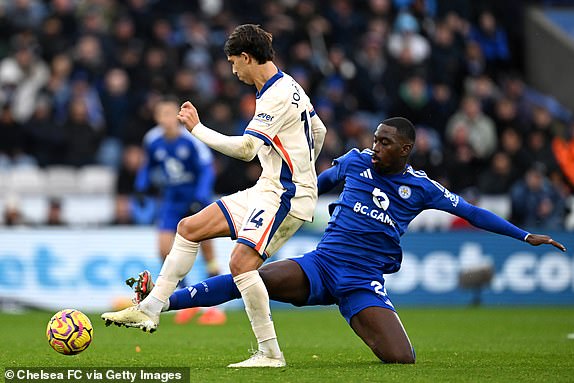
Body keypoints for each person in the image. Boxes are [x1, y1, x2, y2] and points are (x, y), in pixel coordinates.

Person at [126, 117, 565, 364]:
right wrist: (289, 197)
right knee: (248, 277)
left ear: (406, 149)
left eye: (386, 143)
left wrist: (524, 235)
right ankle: (158, 303)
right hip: (322, 264)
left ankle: (355, 313)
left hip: (362, 280)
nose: (375, 147)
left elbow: (471, 211)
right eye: (375, 139)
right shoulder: (356, 162)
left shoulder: (422, 187)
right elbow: (314, 182)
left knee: (401, 359)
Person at [102, 24, 328, 368]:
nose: (233, 70)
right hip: (269, 188)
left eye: (234, 63)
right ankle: (150, 309)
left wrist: (197, 129)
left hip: (287, 196)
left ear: (247, 57)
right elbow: (318, 130)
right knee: (190, 227)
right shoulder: (288, 86)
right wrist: (303, 164)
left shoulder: (276, 94)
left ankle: (270, 353)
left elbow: (248, 148)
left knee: (240, 264)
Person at [132, 96, 225, 325]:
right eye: (161, 114)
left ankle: (215, 306)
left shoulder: (191, 140)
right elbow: (148, 165)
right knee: (164, 248)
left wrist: (200, 198)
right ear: (157, 118)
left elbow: (206, 169)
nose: (166, 120)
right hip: (172, 199)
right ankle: (185, 295)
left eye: (169, 114)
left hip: (194, 198)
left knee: (207, 250)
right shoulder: (153, 140)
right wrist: (141, 188)